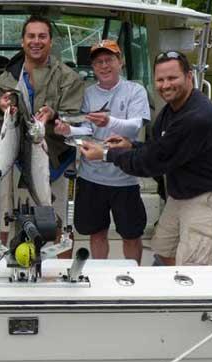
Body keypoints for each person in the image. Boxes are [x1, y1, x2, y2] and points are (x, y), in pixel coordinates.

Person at [79, 50, 212, 266]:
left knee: (193, 265)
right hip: (182, 191)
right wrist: (132, 145)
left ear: (189, 76)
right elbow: (159, 148)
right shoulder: (171, 110)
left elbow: (150, 163)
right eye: (160, 80)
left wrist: (106, 154)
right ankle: (170, 279)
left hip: (210, 194)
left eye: (172, 78)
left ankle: (186, 285)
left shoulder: (197, 117)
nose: (165, 85)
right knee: (163, 248)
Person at [0, 15, 84, 257]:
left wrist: (54, 115)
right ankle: (21, 267)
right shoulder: (6, 79)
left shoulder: (68, 77)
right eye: (31, 36)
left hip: (59, 161)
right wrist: (2, 111)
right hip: (20, 163)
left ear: (50, 41)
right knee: (20, 221)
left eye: (42, 36)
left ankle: (61, 270)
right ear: (22, 41)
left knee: (60, 224)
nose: (36, 41)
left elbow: (75, 120)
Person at [54, 40, 150, 264]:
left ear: (120, 62)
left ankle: (133, 272)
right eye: (98, 62)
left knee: (131, 234)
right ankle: (100, 272)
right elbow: (87, 129)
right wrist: (68, 130)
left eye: (109, 60)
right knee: (96, 232)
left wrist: (109, 121)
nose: (104, 66)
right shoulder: (88, 93)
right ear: (93, 67)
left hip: (125, 177)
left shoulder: (136, 90)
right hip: (91, 177)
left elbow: (135, 126)